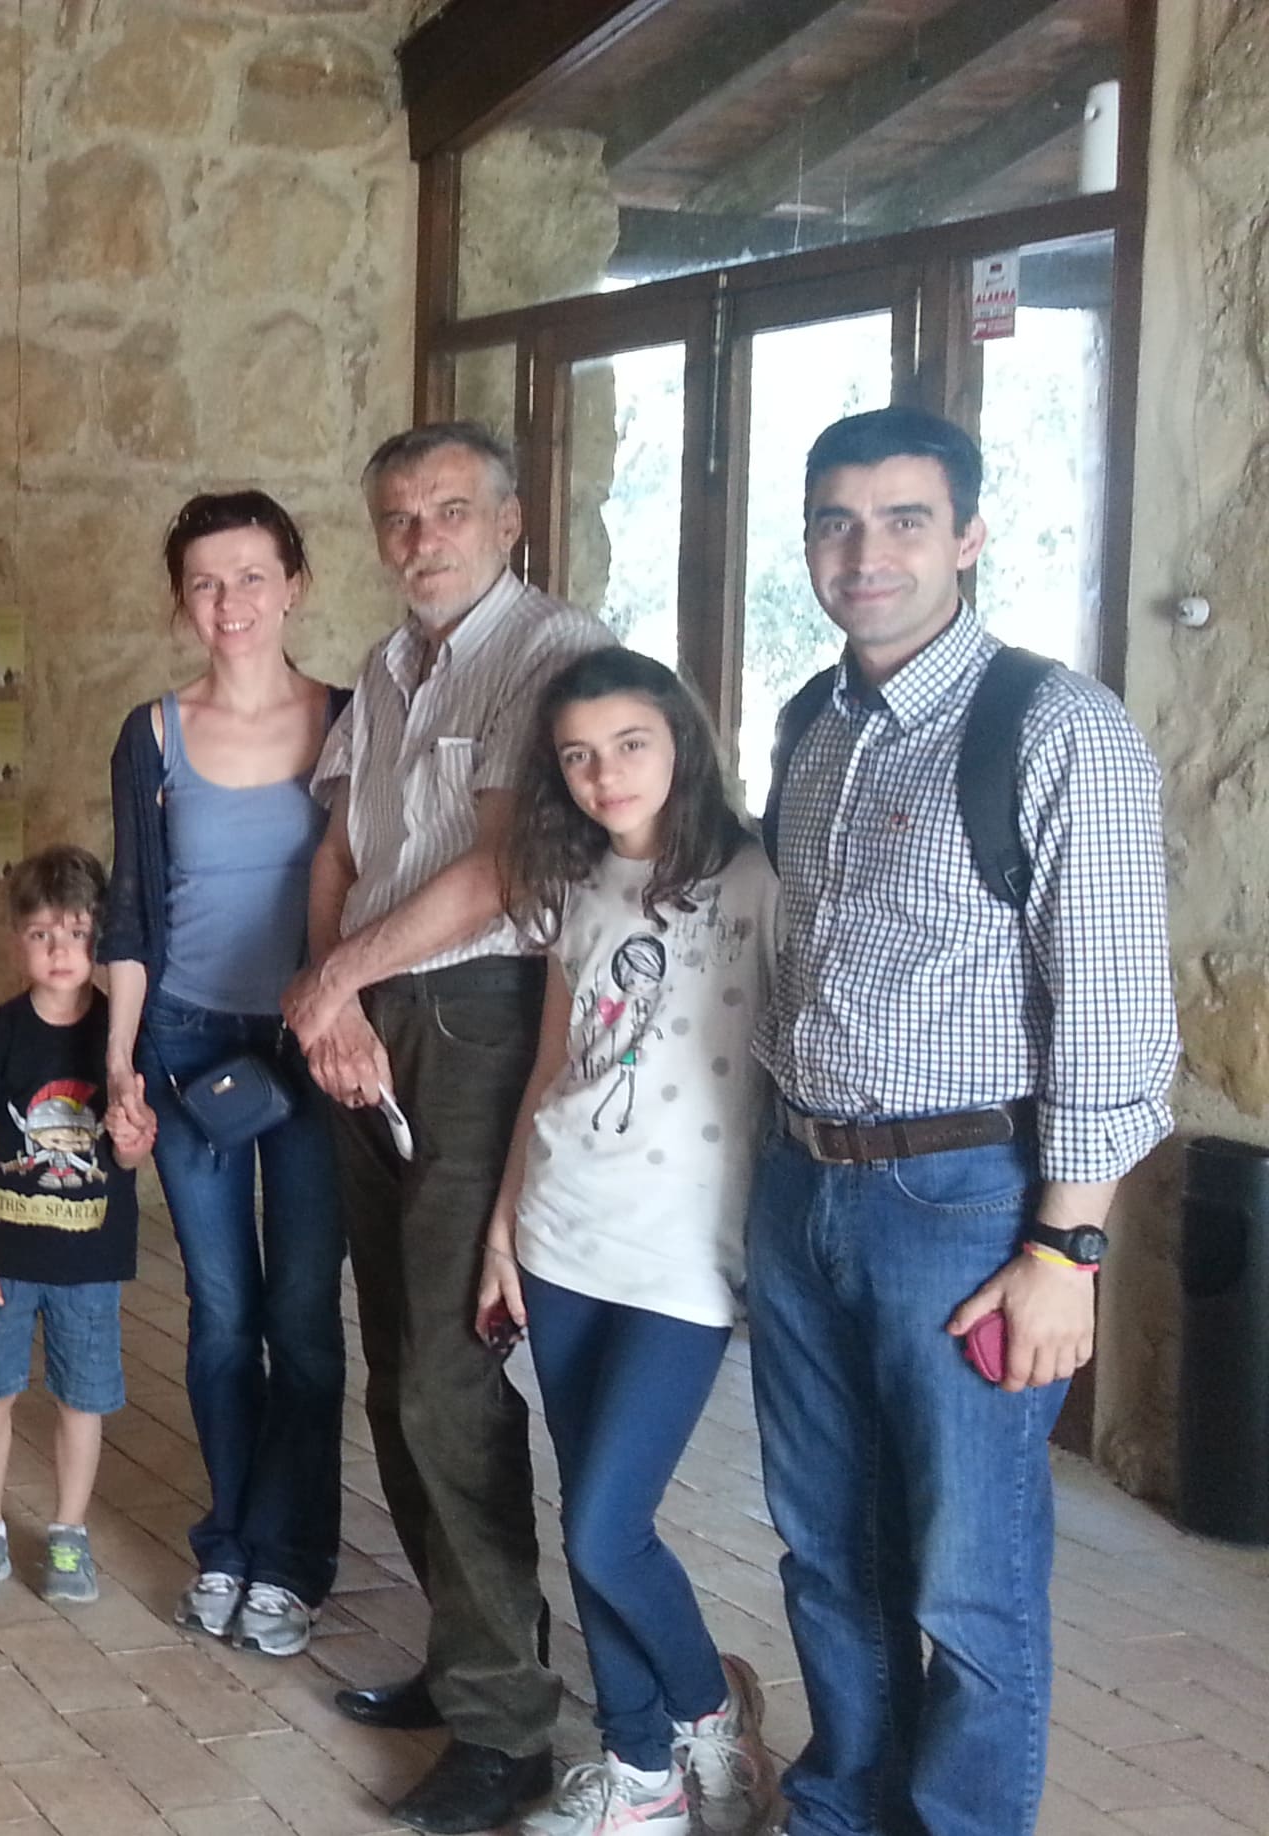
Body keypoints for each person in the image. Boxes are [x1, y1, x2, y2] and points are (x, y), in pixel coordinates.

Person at [749, 407, 1174, 1836]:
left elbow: (1116, 1020)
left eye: (904, 520)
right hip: (803, 1180)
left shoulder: (1056, 729)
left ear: (970, 535)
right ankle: (843, 1808)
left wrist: (1067, 1252)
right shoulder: (811, 723)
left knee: (967, 1578)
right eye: (835, 522)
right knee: (826, 1546)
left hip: (969, 1207)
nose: (864, 553)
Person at [284, 421, 614, 1834]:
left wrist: (336, 981)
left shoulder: (552, 653)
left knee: (446, 1376)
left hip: (480, 1022)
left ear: (510, 521)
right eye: (401, 518)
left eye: (451, 510)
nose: (423, 538)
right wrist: (329, 1000)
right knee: (396, 1366)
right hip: (368, 1024)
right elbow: (338, 852)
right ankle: (472, 1649)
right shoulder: (384, 668)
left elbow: (500, 870)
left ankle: (505, 1732)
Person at [477, 649, 778, 1836]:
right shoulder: (576, 882)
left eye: (630, 744)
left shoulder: (759, 880)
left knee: (610, 1525)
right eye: (578, 756)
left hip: (686, 1258)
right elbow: (553, 1066)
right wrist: (504, 1226)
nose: (605, 774)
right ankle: (639, 1767)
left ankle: (706, 1713)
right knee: (587, 1519)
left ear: (682, 742)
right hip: (563, 1233)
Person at [96, 491, 347, 1657]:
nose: (230, 601)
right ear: (180, 601)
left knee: (302, 1315)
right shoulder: (152, 735)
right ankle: (230, 1542)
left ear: (294, 584)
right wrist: (121, 1065)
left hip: (310, 1044)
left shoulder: (351, 723)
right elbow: (132, 914)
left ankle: (292, 1560)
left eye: (251, 576)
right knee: (220, 1315)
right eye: (205, 581)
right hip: (188, 1042)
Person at [0, 845, 154, 1608]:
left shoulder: (121, 1041)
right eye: (41, 934)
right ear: (16, 943)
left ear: (103, 938)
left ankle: (69, 1532)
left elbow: (130, 1152)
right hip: (2, 1261)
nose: (60, 950)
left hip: (90, 1265)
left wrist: (132, 1143)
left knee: (82, 1400)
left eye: (78, 932)